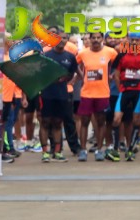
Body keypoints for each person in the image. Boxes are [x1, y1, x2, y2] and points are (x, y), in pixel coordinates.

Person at [76, 31, 118, 161]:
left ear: (102, 39)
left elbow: (117, 65)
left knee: (101, 122)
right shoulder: (83, 53)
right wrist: (82, 76)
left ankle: (99, 150)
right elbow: (75, 65)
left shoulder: (110, 52)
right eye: (92, 37)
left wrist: (111, 76)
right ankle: (83, 150)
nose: (95, 40)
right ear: (89, 39)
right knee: (84, 122)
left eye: (98, 37)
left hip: (103, 93)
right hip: (87, 93)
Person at [40, 27, 79, 162]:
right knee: (45, 123)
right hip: (46, 94)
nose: (61, 40)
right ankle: (45, 153)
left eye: (64, 38)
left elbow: (78, 74)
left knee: (58, 123)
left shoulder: (70, 57)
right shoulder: (46, 55)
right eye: (59, 38)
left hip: (62, 94)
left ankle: (57, 152)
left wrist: (70, 82)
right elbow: (38, 74)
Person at [111, 32, 140, 161]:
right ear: (128, 40)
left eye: (137, 40)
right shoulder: (121, 55)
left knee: (136, 119)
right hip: (124, 90)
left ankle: (131, 149)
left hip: (138, 90)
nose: (134, 42)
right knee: (116, 119)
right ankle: (115, 149)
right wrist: (121, 86)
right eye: (131, 40)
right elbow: (116, 74)